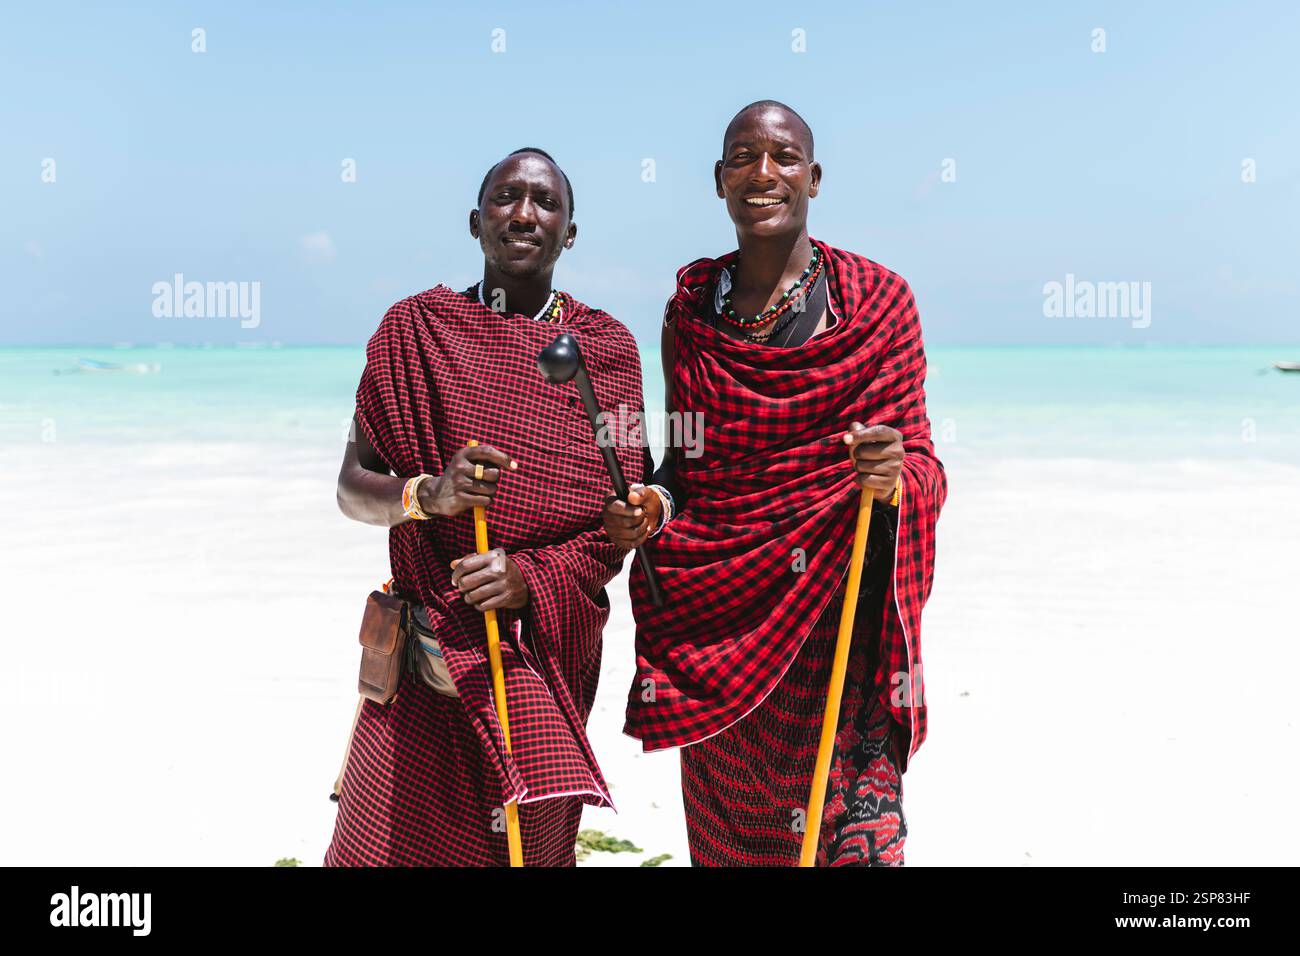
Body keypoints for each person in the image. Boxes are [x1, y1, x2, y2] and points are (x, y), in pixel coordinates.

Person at [605, 102, 947, 866]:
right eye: (743, 157)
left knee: (863, 844)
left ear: (814, 178)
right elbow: (684, 463)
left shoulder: (878, 304)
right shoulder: (690, 312)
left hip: (841, 632)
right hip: (720, 637)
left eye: (785, 157)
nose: (764, 174)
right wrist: (652, 507)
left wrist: (893, 478)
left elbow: (922, 460)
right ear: (719, 181)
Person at [324, 148, 646, 866]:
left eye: (544, 202)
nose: (524, 213)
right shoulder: (413, 332)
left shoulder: (608, 351)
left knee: (521, 847)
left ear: (570, 232)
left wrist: (531, 576)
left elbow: (621, 520)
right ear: (476, 221)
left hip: (538, 662)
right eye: (506, 197)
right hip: (419, 663)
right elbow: (352, 487)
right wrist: (427, 494)